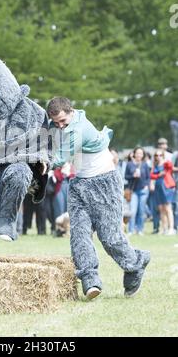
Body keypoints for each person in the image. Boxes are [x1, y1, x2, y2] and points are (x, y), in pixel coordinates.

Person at [47, 97, 150, 300]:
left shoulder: (79, 129)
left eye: (62, 122)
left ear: (71, 111)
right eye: (55, 122)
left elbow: (59, 158)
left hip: (105, 183)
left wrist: (39, 162)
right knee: (79, 236)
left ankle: (136, 263)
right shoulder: (57, 125)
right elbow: (43, 130)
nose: (59, 126)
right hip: (79, 185)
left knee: (110, 238)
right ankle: (89, 278)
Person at [124, 147, 150, 235]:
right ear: (134, 154)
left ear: (143, 155)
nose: (139, 155)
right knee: (133, 210)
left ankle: (140, 229)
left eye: (141, 153)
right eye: (137, 153)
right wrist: (133, 175)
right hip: (133, 191)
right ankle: (131, 230)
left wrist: (146, 186)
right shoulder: (130, 164)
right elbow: (126, 177)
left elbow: (148, 177)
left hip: (143, 190)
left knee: (141, 211)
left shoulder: (145, 164)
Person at [150, 149, 176, 235]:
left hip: (167, 187)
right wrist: (158, 175)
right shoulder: (155, 165)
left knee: (168, 208)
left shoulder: (166, 163)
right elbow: (152, 175)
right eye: (156, 155)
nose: (158, 157)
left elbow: (171, 167)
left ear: (163, 156)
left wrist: (165, 160)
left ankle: (171, 228)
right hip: (158, 188)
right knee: (161, 209)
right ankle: (164, 229)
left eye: (160, 155)